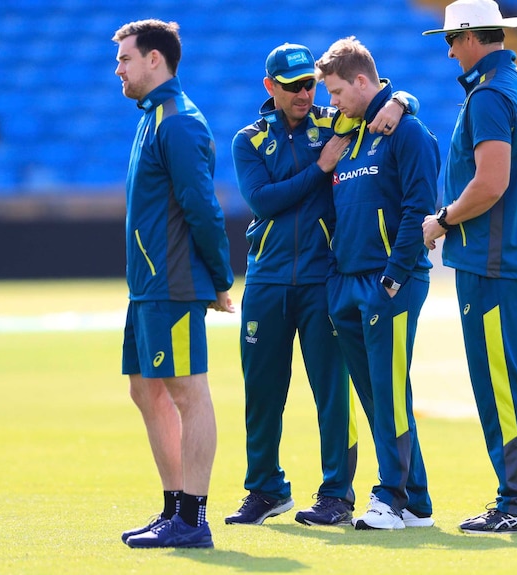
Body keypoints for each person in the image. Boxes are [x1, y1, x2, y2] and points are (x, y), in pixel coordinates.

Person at [226, 43, 418, 527]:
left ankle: (336, 493)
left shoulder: (336, 122)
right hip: (267, 278)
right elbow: (264, 201)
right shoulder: (248, 140)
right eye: (293, 87)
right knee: (262, 392)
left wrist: (404, 100)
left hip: (320, 280)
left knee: (333, 392)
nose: (305, 94)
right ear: (271, 87)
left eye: (309, 84)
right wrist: (319, 169)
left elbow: (380, 103)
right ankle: (265, 488)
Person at [421, 0, 517, 534]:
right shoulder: (516, 85)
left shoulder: (490, 96)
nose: (449, 50)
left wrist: (443, 220)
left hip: (491, 259)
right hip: (509, 254)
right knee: (507, 377)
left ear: (474, 36)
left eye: (453, 39)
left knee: (499, 380)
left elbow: (491, 182)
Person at [113, 19, 234, 548]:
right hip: (147, 285)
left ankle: (193, 517)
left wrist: (220, 276)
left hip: (174, 282)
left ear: (155, 59)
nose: (118, 68)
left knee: (188, 391)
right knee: (146, 390)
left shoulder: (179, 122)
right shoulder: (152, 117)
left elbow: (203, 207)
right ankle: (172, 509)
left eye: (124, 59)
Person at [315, 36, 440, 530]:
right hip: (344, 281)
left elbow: (418, 210)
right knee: (376, 398)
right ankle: (416, 501)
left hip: (389, 281)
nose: (332, 102)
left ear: (363, 81)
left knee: (389, 394)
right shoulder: (349, 130)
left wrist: (394, 276)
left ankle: (388, 497)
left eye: (338, 91)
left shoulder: (407, 133)